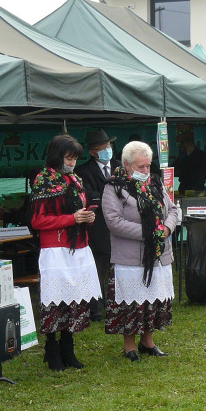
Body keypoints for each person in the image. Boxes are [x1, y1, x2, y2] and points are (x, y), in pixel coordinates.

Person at [103, 141, 181, 361]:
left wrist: (166, 228)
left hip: (158, 254)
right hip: (130, 257)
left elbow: (172, 209)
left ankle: (148, 341)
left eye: (148, 165)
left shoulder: (155, 183)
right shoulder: (114, 187)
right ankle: (129, 346)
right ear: (127, 165)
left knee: (154, 299)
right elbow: (114, 221)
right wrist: (149, 232)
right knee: (131, 301)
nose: (146, 171)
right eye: (141, 167)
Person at [30, 134, 101, 371]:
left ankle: (68, 346)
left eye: (74, 158)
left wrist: (86, 217)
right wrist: (72, 218)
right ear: (57, 156)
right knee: (54, 300)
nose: (71, 163)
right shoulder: (43, 180)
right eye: (69, 157)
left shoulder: (75, 179)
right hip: (55, 249)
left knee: (74, 297)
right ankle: (52, 349)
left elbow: (78, 209)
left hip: (78, 246)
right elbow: (38, 221)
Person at [77, 129, 121, 321]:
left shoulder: (120, 166)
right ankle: (96, 309)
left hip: (120, 226)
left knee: (119, 269)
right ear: (93, 151)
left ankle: (117, 305)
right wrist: (111, 197)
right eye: (102, 148)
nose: (107, 151)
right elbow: (90, 197)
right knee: (97, 268)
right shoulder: (83, 171)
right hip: (97, 228)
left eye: (108, 147)